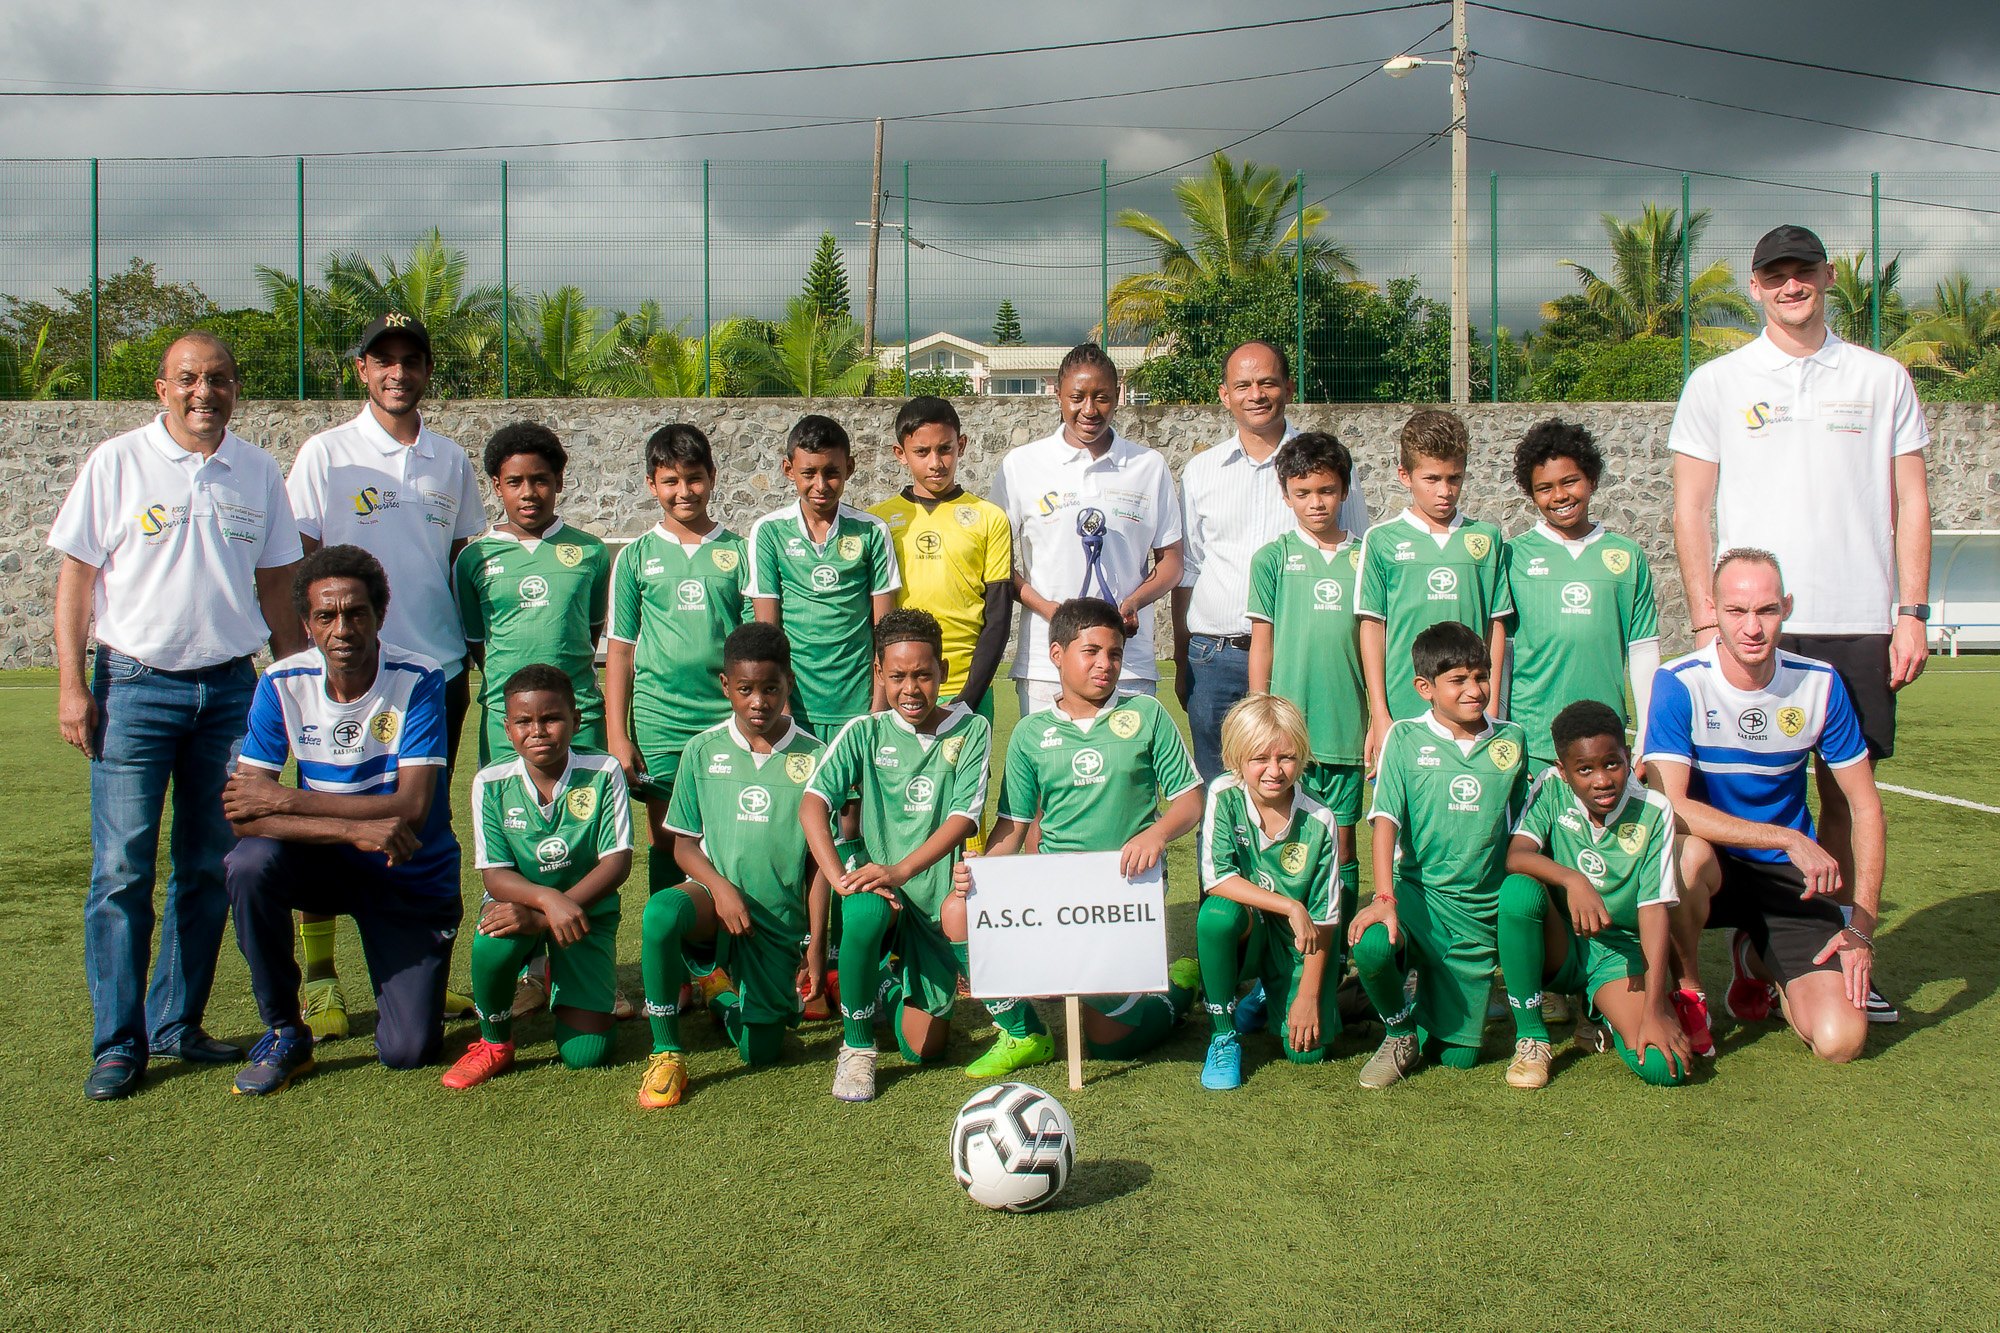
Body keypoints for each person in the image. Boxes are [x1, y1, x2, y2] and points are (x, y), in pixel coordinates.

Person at [1669, 223, 1929, 1024]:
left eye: (1804, 271)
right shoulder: (1717, 380)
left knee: (1846, 798)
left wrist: (1911, 612)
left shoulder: (1882, 378)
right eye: (1775, 274)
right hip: (1751, 621)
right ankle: (1736, 938)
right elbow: (1691, 506)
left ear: (1826, 277)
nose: (1791, 285)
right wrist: (1709, 616)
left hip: (1856, 617)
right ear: (1754, 286)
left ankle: (1841, 946)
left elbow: (1912, 499)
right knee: (1714, 796)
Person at [49, 330, 304, 1100]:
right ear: (162, 388)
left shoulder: (258, 472)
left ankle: (176, 1023)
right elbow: (76, 580)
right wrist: (71, 684)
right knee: (122, 869)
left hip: (230, 690)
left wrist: (293, 688)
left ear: (236, 389)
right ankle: (118, 1043)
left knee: (207, 866)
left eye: (219, 378)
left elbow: (277, 591)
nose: (205, 391)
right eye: (189, 378)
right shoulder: (118, 462)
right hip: (133, 686)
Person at [285, 314, 485, 1039]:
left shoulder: (450, 460)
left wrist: (478, 654)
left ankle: (421, 968)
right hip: (345, 675)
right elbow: (296, 563)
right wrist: (301, 657)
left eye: (412, 359)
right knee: (329, 818)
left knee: (423, 822)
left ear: (429, 370)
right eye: (384, 360)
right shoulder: (326, 453)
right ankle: (321, 980)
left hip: (431, 674)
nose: (399, 371)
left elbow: (466, 564)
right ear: (362, 370)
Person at [220, 545, 461, 1095]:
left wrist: (286, 799)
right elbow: (240, 814)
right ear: (307, 624)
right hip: (328, 862)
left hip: (407, 870)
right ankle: (284, 1031)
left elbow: (411, 807)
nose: (342, 628)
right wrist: (351, 829)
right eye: (326, 616)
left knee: (409, 1051)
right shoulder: (281, 681)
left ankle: (416, 988)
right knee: (250, 865)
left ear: (379, 615)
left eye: (356, 613)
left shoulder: (418, 677)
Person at [1643, 549, 1883, 1065]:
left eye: (1767, 610)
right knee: (1684, 857)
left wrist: (1859, 926)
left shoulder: (1819, 684)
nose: (1752, 627)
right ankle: (1691, 993)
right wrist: (1788, 837)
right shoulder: (1680, 681)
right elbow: (1672, 807)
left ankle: (1756, 959)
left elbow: (1865, 808)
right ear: (1712, 609)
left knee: (1842, 1041)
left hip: (1786, 880)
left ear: (1787, 608)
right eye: (1736, 611)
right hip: (1711, 866)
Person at [967, 597, 1204, 1071]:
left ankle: (1177, 992)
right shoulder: (1031, 732)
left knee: (1110, 1042)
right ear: (1057, 654)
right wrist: (979, 875)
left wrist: (1155, 836)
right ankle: (1024, 1032)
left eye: (1114, 654)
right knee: (961, 911)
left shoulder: (1147, 715)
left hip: (1129, 891)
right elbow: (1014, 823)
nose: (1105, 664)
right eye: (1091, 651)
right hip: (1059, 895)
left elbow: (1190, 801)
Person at [799, 610, 993, 1103]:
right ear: (879, 674)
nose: (911, 688)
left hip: (932, 899)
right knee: (862, 913)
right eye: (898, 676)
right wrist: (839, 877)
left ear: (943, 672)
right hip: (878, 886)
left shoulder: (971, 731)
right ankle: (857, 1048)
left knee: (923, 1049)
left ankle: (881, 984)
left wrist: (902, 868)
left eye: (923, 675)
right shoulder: (864, 731)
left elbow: (963, 818)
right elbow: (812, 804)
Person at [641, 623, 831, 1109]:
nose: (758, 702)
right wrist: (720, 887)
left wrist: (813, 945)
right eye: (745, 689)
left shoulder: (815, 757)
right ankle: (666, 1051)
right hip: (714, 903)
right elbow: (682, 847)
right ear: (726, 686)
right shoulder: (702, 750)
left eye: (770, 688)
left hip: (776, 924)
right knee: (661, 913)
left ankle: (721, 993)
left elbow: (817, 868)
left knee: (762, 1052)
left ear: (788, 682)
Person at [1173, 341, 1369, 783]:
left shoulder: (1326, 466)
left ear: (1289, 386)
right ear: (1225, 395)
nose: (1255, 394)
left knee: (1302, 792)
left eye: (1267, 382)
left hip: (1299, 659)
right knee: (1220, 793)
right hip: (1216, 659)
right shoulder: (1202, 471)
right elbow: (1190, 569)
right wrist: (1184, 657)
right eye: (1243, 385)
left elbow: (1356, 558)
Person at [1347, 621, 1530, 1088]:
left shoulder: (1512, 740)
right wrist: (1384, 898)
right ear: (1425, 688)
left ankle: (1390, 998)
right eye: (1458, 680)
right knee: (1371, 946)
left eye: (1481, 676)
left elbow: (1520, 829)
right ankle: (1398, 1029)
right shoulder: (1404, 739)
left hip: (1479, 908)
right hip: (1418, 898)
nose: (1474, 689)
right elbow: (1385, 818)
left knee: (1457, 1059)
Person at [442, 665, 632, 1089]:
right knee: (494, 935)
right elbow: (495, 875)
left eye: (551, 718)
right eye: (524, 722)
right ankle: (494, 1041)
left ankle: (556, 975)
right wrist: (546, 903)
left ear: (576, 720)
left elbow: (616, 862)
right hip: (521, 905)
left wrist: (547, 919)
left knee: (587, 1054)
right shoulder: (490, 782)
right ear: (507, 730)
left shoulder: (602, 771)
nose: (538, 731)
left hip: (587, 913)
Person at [1497, 701, 1689, 1090]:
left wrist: (1654, 1010)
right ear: (1563, 771)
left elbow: (1654, 912)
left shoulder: (1654, 810)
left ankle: (1599, 1014)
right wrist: (1573, 881)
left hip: (1618, 953)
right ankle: (1532, 1037)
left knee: (1664, 1068)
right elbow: (1516, 856)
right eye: (1585, 769)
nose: (1601, 780)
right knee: (1518, 891)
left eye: (1612, 764)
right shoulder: (1550, 788)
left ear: (1628, 757)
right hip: (1564, 945)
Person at [991, 344, 1184, 713]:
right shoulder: (1021, 465)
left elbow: (1172, 560)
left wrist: (1133, 602)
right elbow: (996, 562)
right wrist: (1050, 610)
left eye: (1102, 398)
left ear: (1118, 396)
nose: (1089, 410)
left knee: (1129, 768)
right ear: (1058, 395)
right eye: (1077, 397)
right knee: (1050, 769)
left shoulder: (1148, 465)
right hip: (1048, 664)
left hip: (1126, 662)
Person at [604, 424, 751, 902]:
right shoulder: (634, 558)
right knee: (667, 839)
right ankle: (675, 964)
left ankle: (723, 962)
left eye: (694, 478)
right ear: (652, 484)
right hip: (659, 721)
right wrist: (618, 736)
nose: (683, 491)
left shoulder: (739, 551)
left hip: (724, 718)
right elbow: (621, 652)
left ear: (711, 477)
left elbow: (754, 645)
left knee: (728, 836)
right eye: (670, 481)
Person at [1193, 694, 1345, 1091]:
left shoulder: (1320, 819)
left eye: (1287, 758)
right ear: (1236, 759)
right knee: (1216, 915)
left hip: (1299, 943)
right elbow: (1217, 878)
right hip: (1251, 928)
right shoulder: (1224, 794)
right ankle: (1223, 1034)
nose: (1275, 771)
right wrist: (1289, 905)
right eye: (1260, 758)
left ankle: (1270, 993)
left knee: (1306, 1054)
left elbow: (1326, 921)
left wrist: (1309, 996)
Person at [1247, 430, 1367, 928]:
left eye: (1326, 491)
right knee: (1283, 839)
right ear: (1285, 494)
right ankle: (1282, 954)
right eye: (1303, 493)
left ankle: (1336, 955)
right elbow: (1262, 642)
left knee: (1342, 840)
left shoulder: (1368, 556)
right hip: (1287, 734)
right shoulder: (1272, 558)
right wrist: (1258, 715)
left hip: (1347, 730)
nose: (1316, 503)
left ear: (1343, 490)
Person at [1503, 419, 1660, 773]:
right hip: (1533, 740)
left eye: (1570, 481)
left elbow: (1643, 650)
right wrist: (1498, 729)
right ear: (1530, 494)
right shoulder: (1512, 556)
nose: (1559, 496)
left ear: (1591, 479)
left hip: (1605, 742)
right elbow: (1504, 652)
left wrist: (1649, 737)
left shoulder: (1627, 556)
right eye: (1544, 488)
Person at [1357, 410, 1511, 767]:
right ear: (1404, 475)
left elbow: (1496, 625)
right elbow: (1372, 627)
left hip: (1472, 707)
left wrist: (1492, 706)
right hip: (1404, 708)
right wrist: (1379, 714)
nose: (1445, 491)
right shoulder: (1381, 540)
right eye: (1432, 479)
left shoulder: (1485, 539)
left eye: (1454, 478)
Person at [453, 423, 611, 766]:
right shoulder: (473, 559)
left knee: (584, 816)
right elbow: (477, 642)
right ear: (497, 486)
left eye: (540, 480)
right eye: (514, 482)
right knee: (507, 816)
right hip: (505, 720)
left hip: (578, 714)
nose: (528, 492)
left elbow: (589, 631)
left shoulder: (591, 552)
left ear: (559, 481)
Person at [748, 414, 899, 742]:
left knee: (859, 795)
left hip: (858, 705)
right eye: (808, 473)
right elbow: (767, 633)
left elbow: (884, 631)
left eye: (832, 472)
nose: (820, 485)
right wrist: (781, 708)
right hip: (795, 707)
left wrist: (879, 707)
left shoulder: (872, 531)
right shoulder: (769, 531)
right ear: (789, 470)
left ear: (850, 467)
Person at [867, 396, 1012, 722]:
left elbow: (998, 618)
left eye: (945, 449)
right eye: (921, 452)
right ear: (900, 454)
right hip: (900, 687)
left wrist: (969, 698)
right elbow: (870, 614)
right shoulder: (877, 522)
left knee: (964, 775)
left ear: (961, 445)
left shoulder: (989, 517)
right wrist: (885, 687)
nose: (935, 462)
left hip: (965, 687)